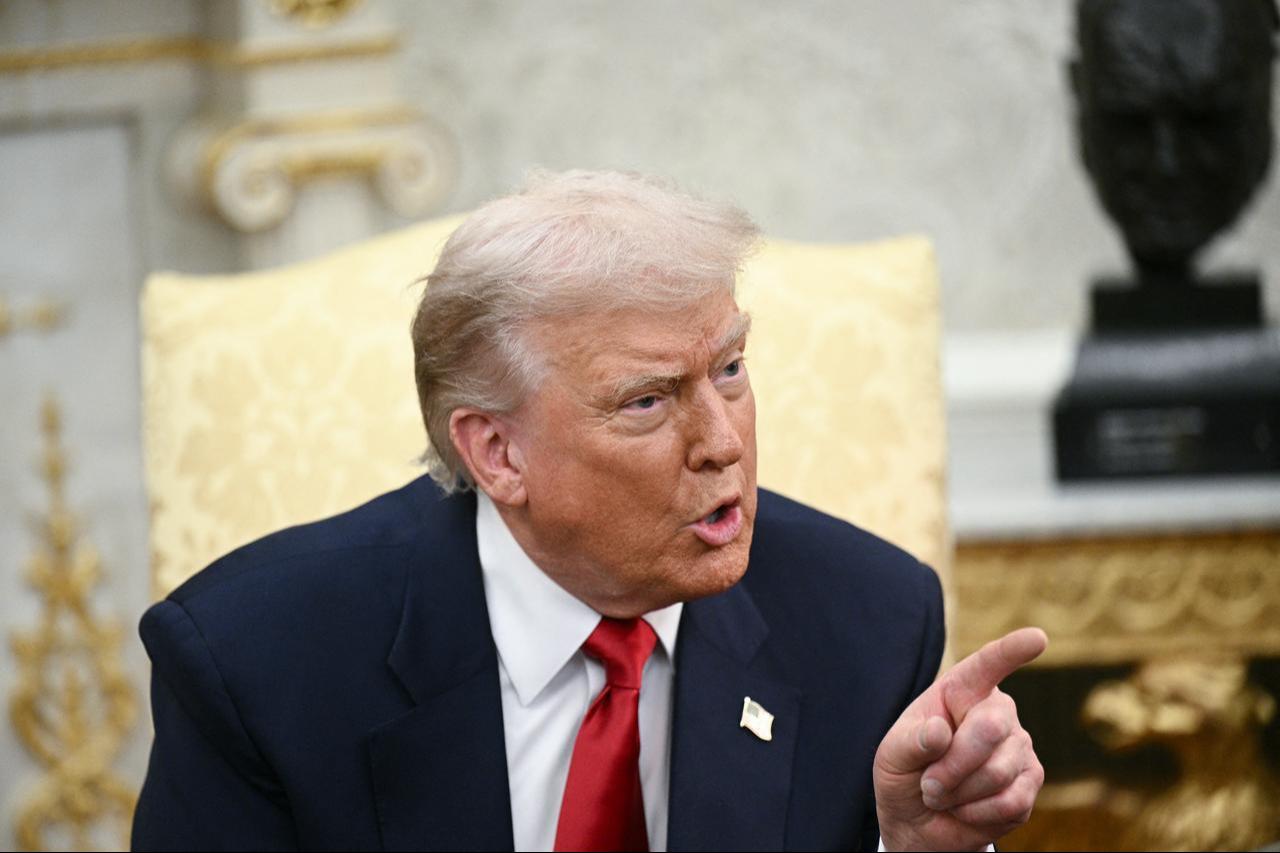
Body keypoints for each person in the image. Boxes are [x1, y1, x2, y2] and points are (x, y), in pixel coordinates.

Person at [132, 170, 1044, 852]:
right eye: (647, 400)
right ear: (497, 453)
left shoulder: (868, 623)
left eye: (730, 368)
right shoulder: (254, 664)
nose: (722, 442)